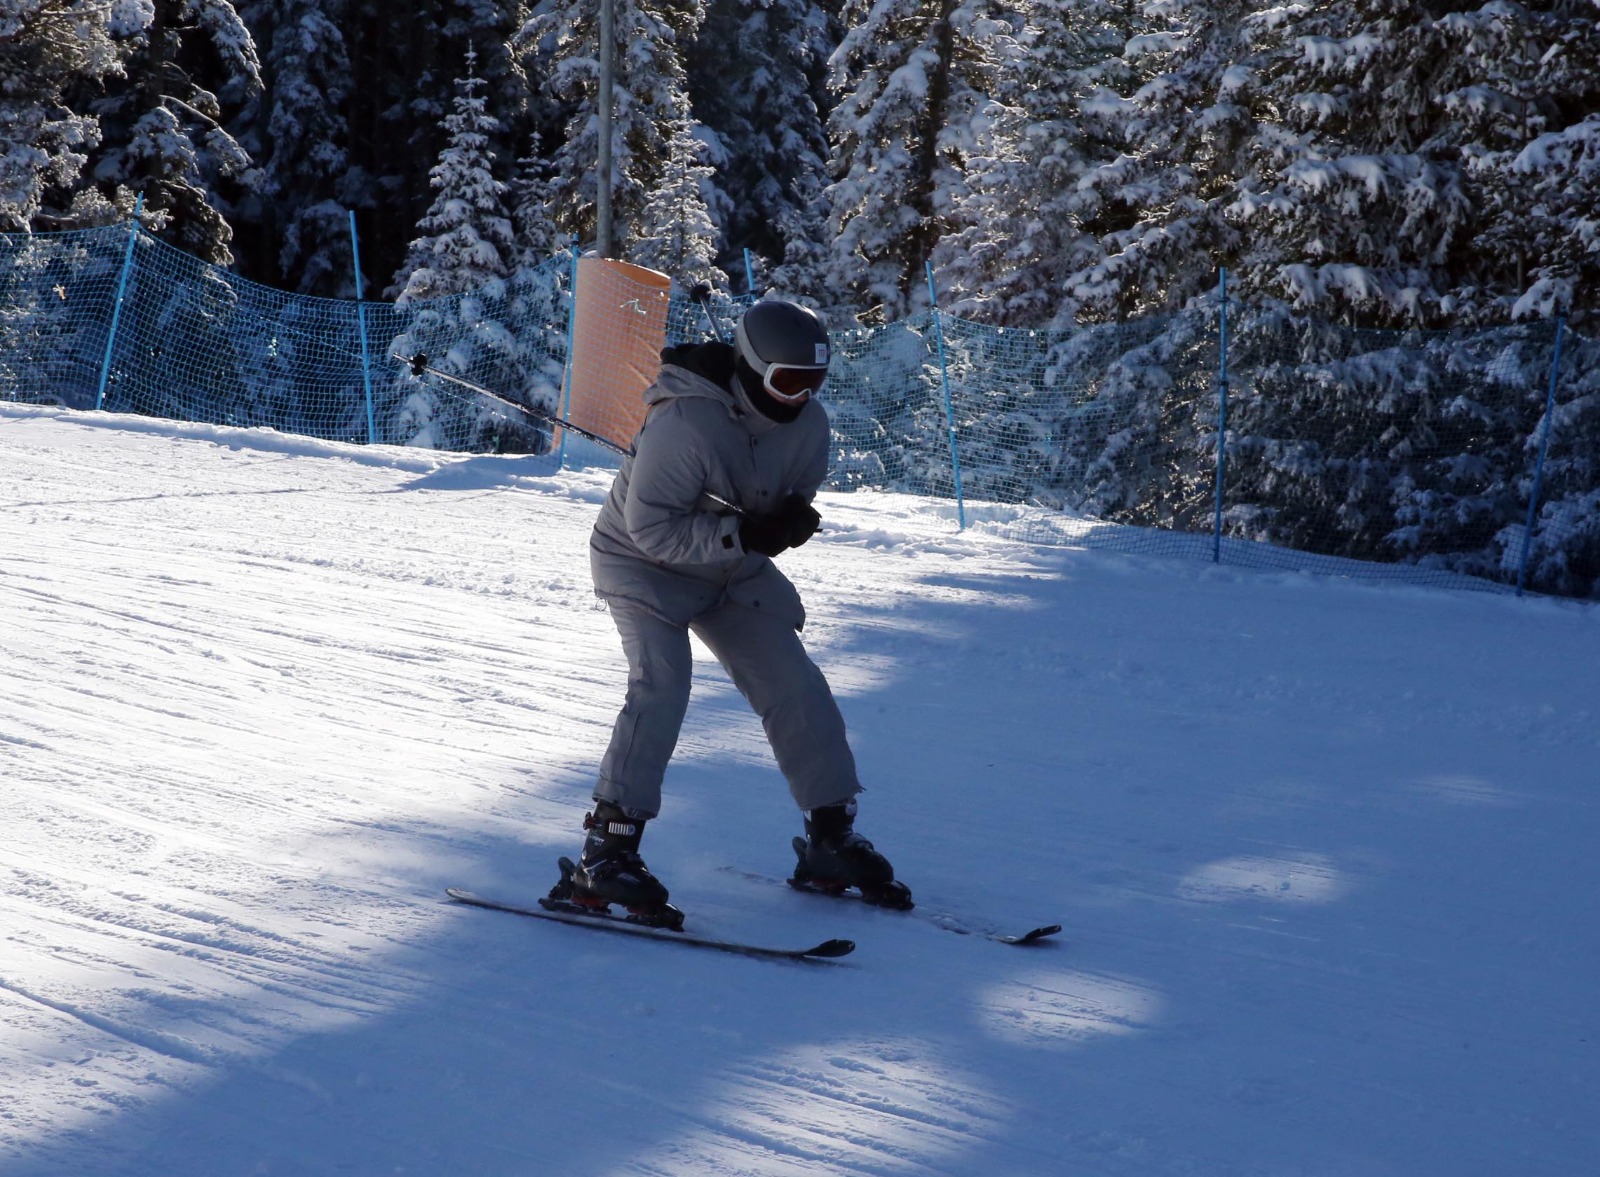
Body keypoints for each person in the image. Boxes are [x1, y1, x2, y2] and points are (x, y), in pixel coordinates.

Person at [561, 299, 910, 925]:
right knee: (661, 684)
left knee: (795, 685)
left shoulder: (810, 425)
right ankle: (606, 851)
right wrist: (745, 536)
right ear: (752, 369)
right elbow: (653, 533)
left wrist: (787, 521)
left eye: (813, 383)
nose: (800, 397)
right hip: (644, 565)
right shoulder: (685, 424)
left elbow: (784, 494)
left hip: (730, 572)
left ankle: (830, 835)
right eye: (787, 382)